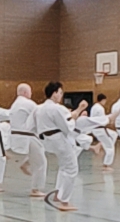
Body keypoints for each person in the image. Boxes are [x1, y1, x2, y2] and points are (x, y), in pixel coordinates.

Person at [36, 82, 87, 211]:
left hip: (46, 141)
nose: (61, 95)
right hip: (59, 140)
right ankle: (65, 201)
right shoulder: (57, 108)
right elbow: (67, 126)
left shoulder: (39, 108)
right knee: (71, 169)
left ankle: (58, 195)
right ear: (54, 93)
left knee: (64, 167)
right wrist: (80, 110)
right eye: (60, 92)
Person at [8, 84, 48, 198]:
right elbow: (41, 113)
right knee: (41, 162)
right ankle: (36, 189)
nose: (31, 94)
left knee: (37, 155)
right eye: (30, 92)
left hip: (18, 136)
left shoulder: (15, 104)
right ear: (25, 92)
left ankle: (26, 162)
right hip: (28, 136)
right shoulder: (28, 103)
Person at [88, 94, 118, 170]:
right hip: (100, 129)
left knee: (114, 134)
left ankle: (100, 145)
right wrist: (110, 119)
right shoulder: (100, 108)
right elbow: (102, 120)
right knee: (110, 147)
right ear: (103, 100)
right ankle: (106, 165)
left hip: (95, 129)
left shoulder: (94, 107)